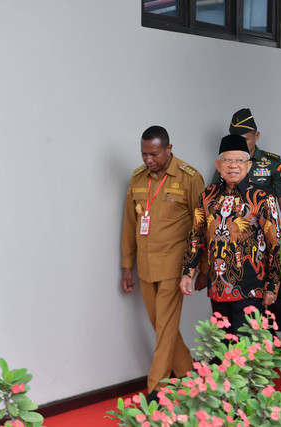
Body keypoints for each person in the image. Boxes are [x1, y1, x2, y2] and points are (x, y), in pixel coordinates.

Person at [121, 125, 206, 402]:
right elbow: (129, 225)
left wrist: (202, 268)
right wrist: (127, 265)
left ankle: (156, 388)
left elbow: (201, 226)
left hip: (174, 265)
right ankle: (187, 373)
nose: (148, 160)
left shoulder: (190, 178)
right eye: (144, 154)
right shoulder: (137, 178)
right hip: (145, 266)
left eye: (154, 154)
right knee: (161, 324)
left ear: (168, 149)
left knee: (166, 325)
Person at [181, 134, 281, 336]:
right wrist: (187, 272)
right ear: (218, 165)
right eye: (228, 160)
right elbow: (196, 236)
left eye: (239, 160)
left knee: (246, 351)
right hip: (217, 287)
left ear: (249, 165)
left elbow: (275, 244)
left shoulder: (262, 197)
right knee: (222, 347)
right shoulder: (207, 196)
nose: (233, 165)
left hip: (251, 288)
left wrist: (272, 285)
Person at [212, 108, 281, 214]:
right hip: (232, 225)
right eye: (236, 139)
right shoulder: (225, 164)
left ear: (256, 136)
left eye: (245, 139)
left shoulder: (273, 164)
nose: (239, 144)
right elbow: (213, 198)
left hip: (263, 225)